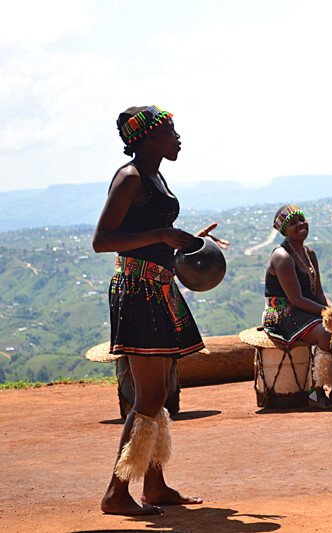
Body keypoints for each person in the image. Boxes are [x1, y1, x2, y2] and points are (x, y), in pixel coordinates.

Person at [93, 105, 227, 515]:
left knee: (161, 392)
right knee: (149, 395)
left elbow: (149, 237)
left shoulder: (154, 176)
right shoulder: (131, 177)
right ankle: (116, 492)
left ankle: (154, 484)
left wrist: (177, 242)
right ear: (148, 137)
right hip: (137, 290)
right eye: (170, 130)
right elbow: (103, 240)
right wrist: (162, 234)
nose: (177, 136)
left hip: (158, 287)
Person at [262, 204, 332, 408]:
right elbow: (296, 300)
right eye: (293, 223)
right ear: (284, 231)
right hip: (282, 313)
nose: (300, 225)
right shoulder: (282, 257)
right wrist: (326, 315)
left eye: (302, 219)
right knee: (325, 333)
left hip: (304, 308)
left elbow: (318, 292)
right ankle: (317, 392)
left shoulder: (309, 253)